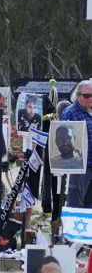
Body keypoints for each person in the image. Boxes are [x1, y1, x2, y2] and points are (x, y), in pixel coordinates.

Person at [63, 80, 92, 208]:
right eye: (87, 96)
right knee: (76, 203)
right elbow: (62, 137)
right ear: (78, 95)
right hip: (79, 166)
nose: (90, 99)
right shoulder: (70, 112)